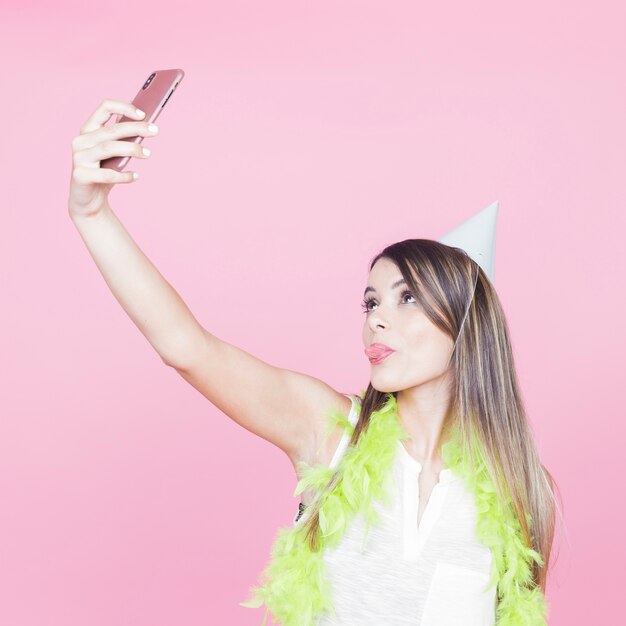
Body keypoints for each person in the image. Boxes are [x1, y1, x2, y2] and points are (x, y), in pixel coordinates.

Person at [68, 100, 558, 625]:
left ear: (466, 323)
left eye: (406, 297)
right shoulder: (333, 434)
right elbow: (187, 348)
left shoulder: (521, 486)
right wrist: (91, 214)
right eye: (371, 302)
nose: (376, 320)